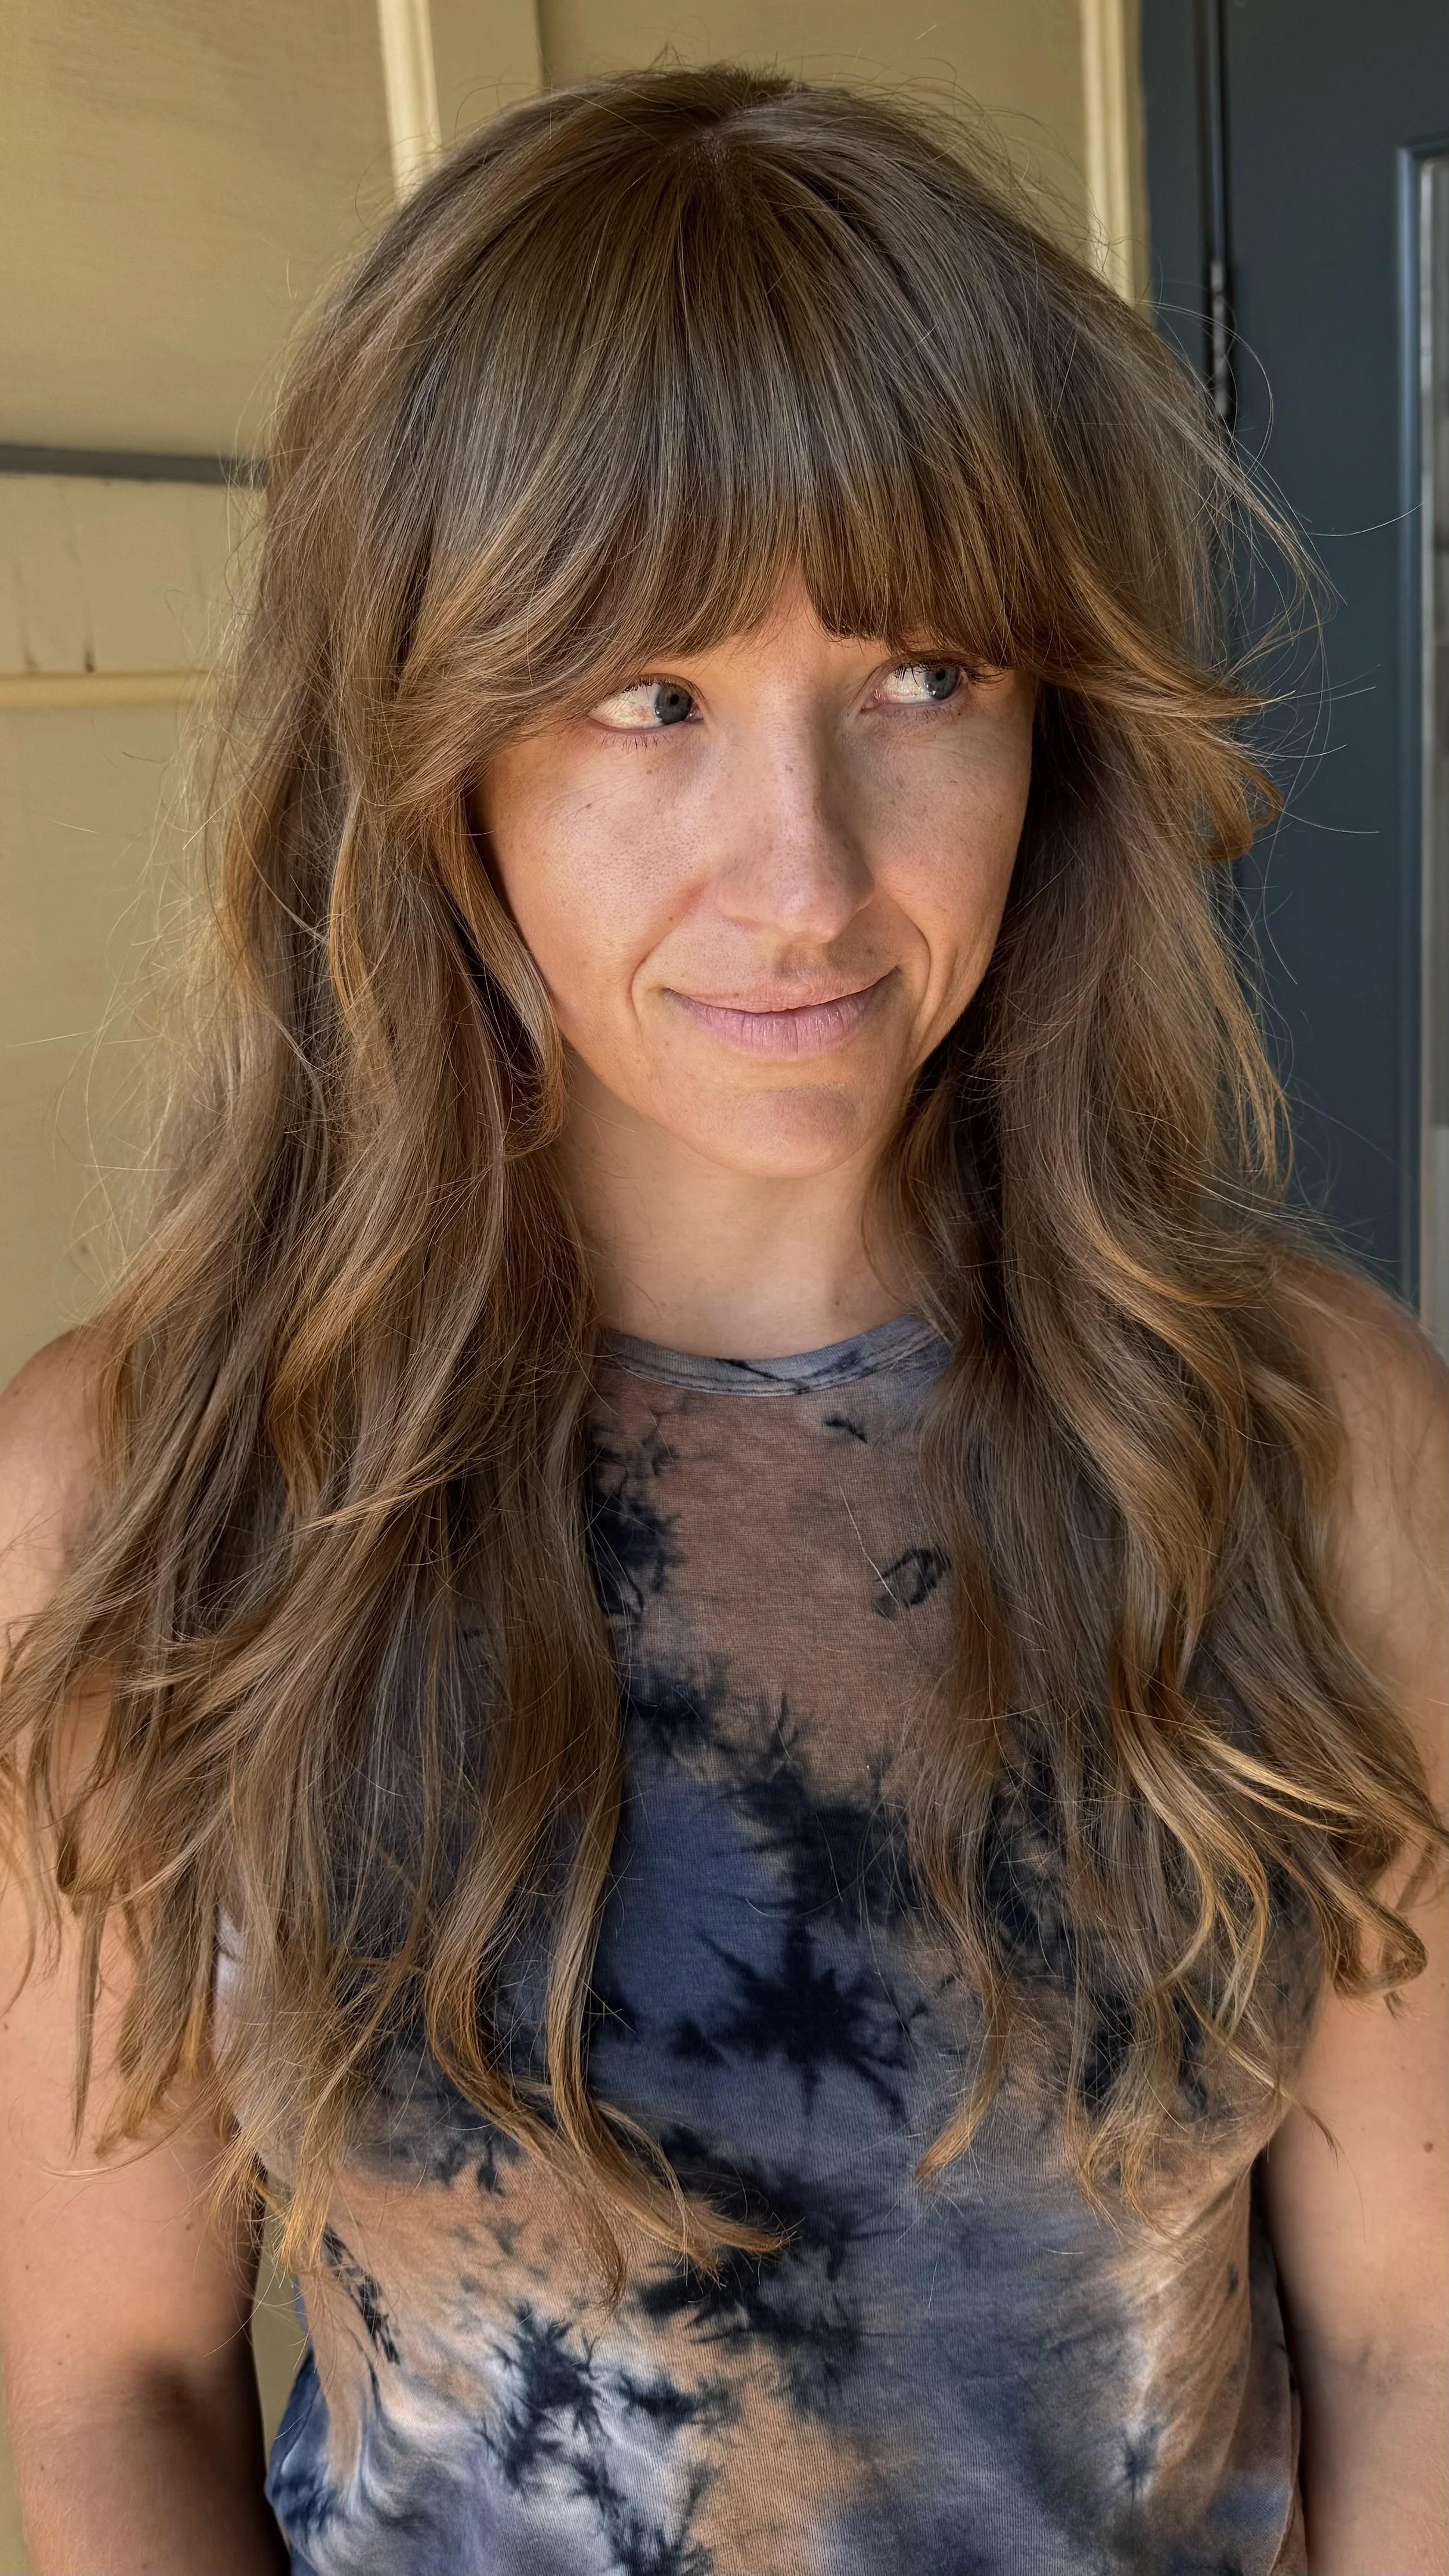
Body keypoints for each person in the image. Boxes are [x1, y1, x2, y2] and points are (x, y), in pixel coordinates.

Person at [0, 64, 1444, 2576]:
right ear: (431, 761)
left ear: (1056, 724)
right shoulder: (140, 1499)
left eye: (921, 683)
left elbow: (1411, 2341)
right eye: (643, 700)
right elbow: (110, 2385)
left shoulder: (1299, 1440)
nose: (806, 881)